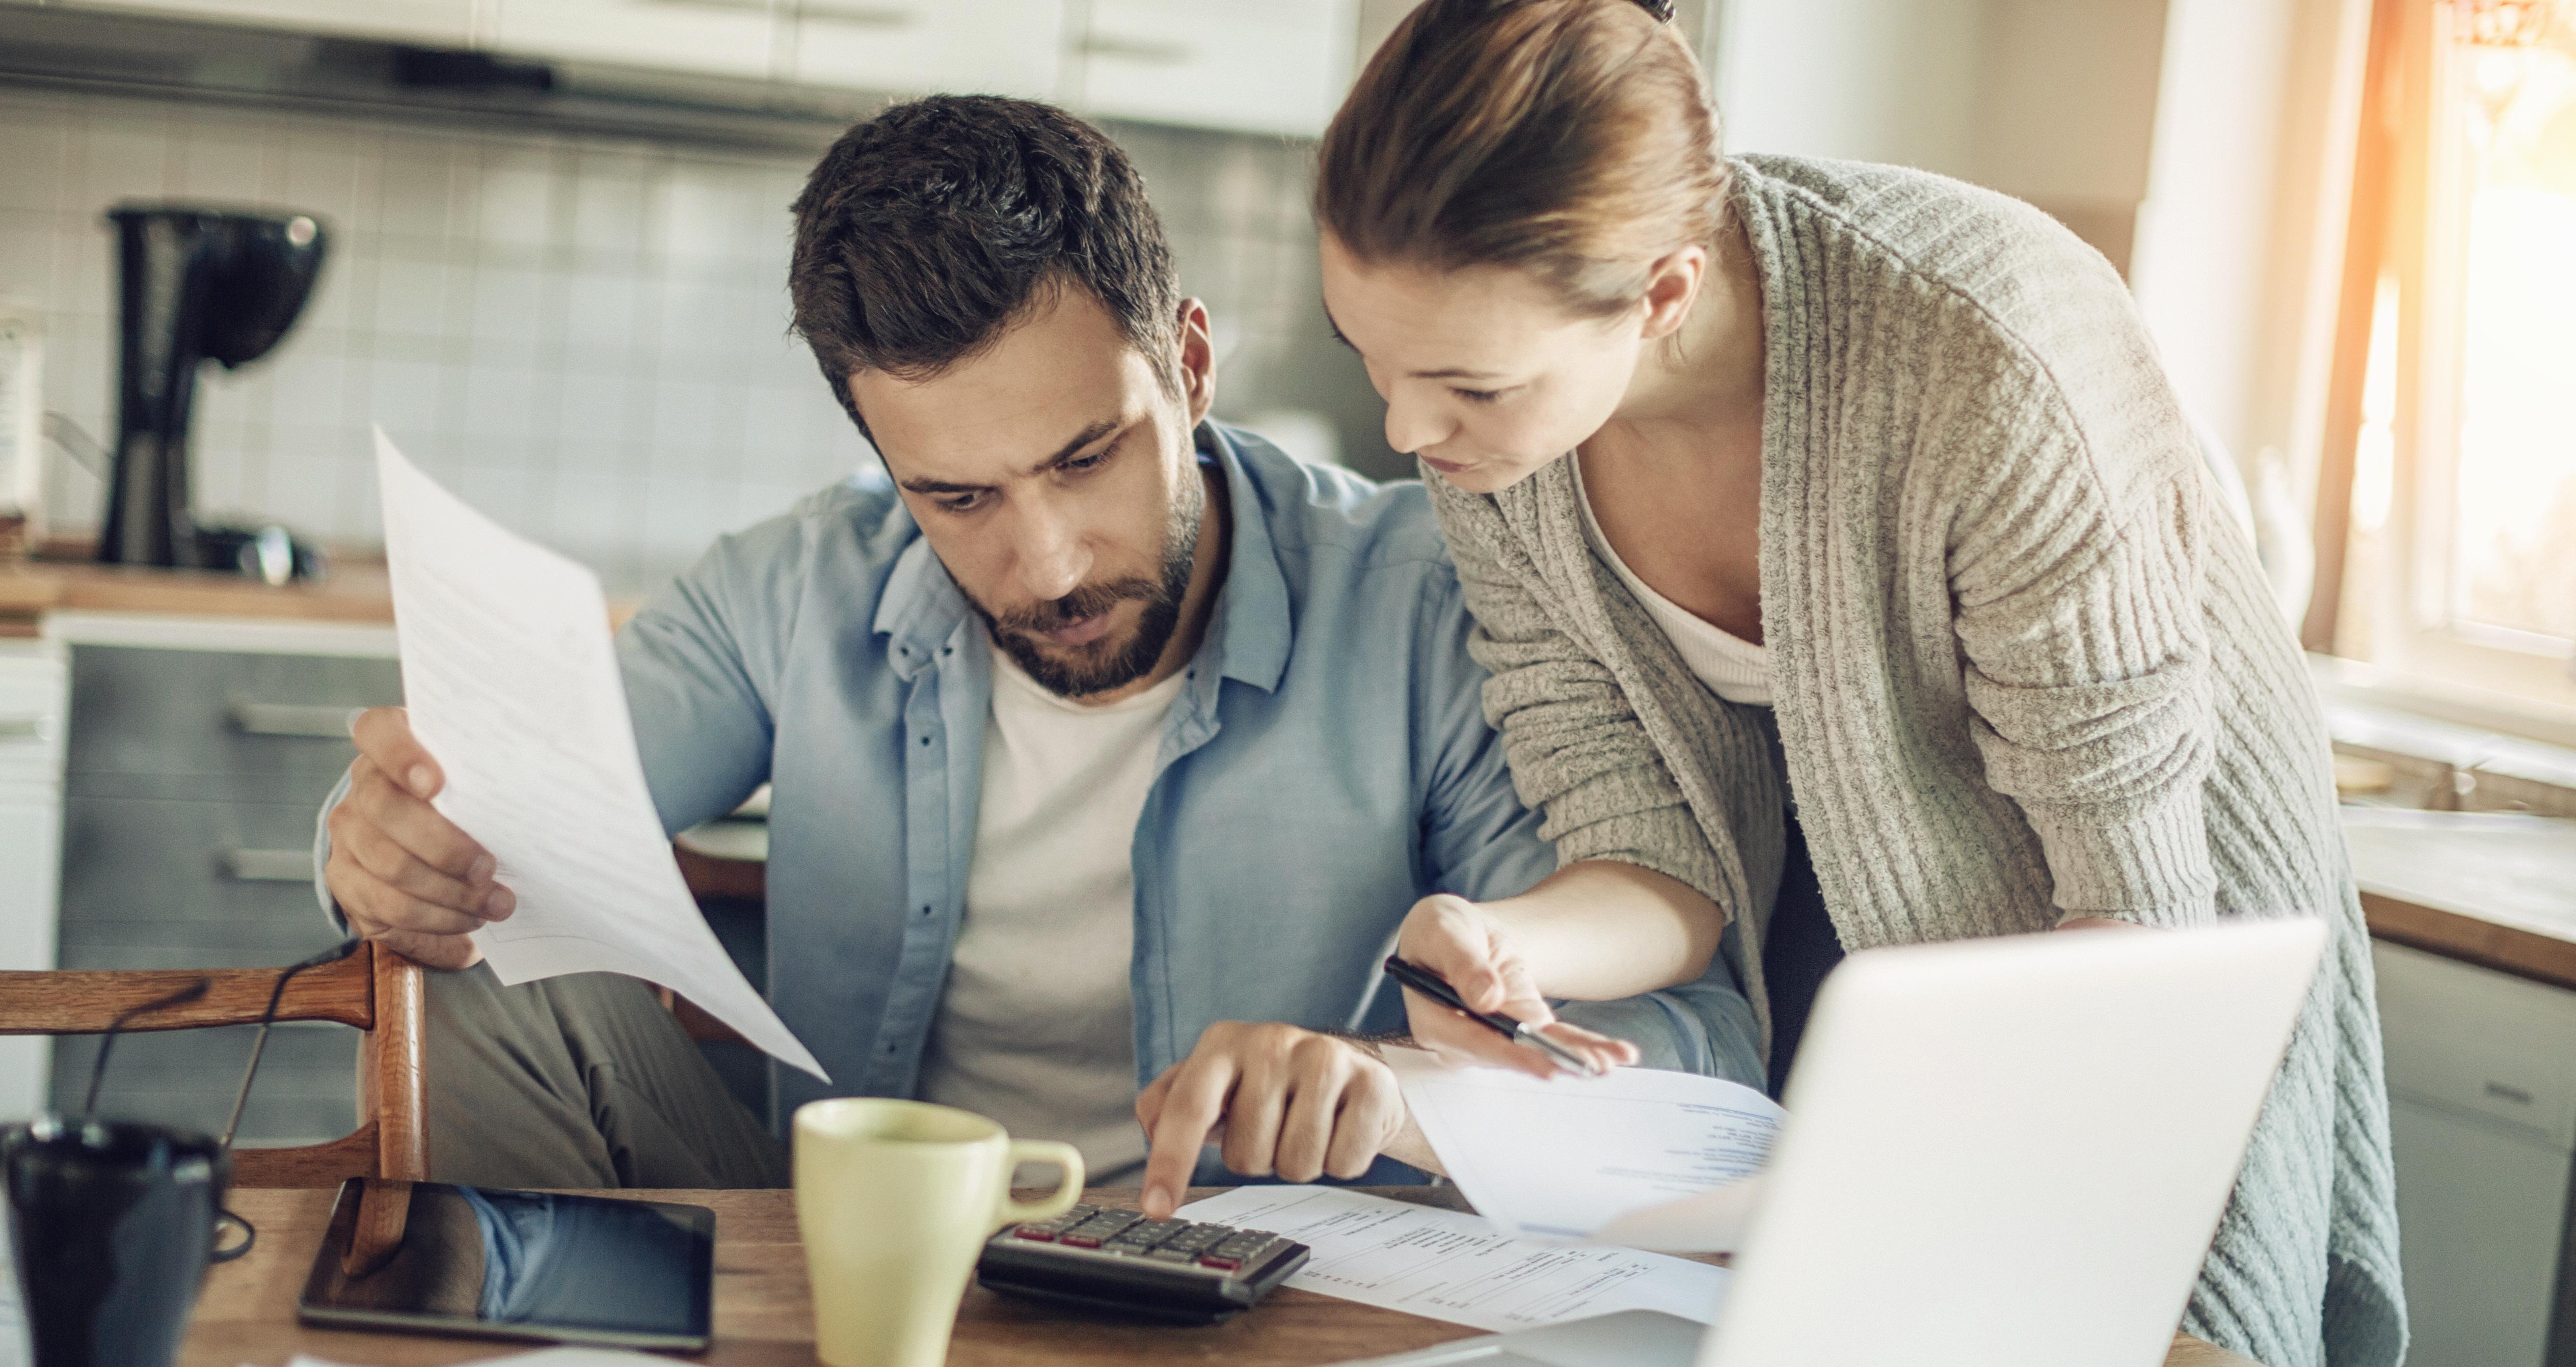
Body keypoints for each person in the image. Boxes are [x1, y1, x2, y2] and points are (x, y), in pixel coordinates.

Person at [317, 94, 1760, 1218]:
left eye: (1087, 457)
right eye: (959, 499)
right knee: (464, 949)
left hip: (1250, 1287)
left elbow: (1691, 1057)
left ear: (1189, 366)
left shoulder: (1431, 606)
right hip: (838, 1249)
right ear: (882, 455)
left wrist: (1401, 1090)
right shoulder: (792, 587)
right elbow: (502, 813)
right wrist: (387, 842)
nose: (1051, 562)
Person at [1309, 0, 2402, 1367]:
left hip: (2127, 937)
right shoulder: (1498, 454)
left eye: (1464, 381)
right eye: (1373, 363)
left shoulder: (1983, 348)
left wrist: (1904, 1148)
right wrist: (1499, 935)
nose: (1407, 431)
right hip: (1842, 943)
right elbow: (1649, 848)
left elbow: (2131, 919)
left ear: (1659, 294)